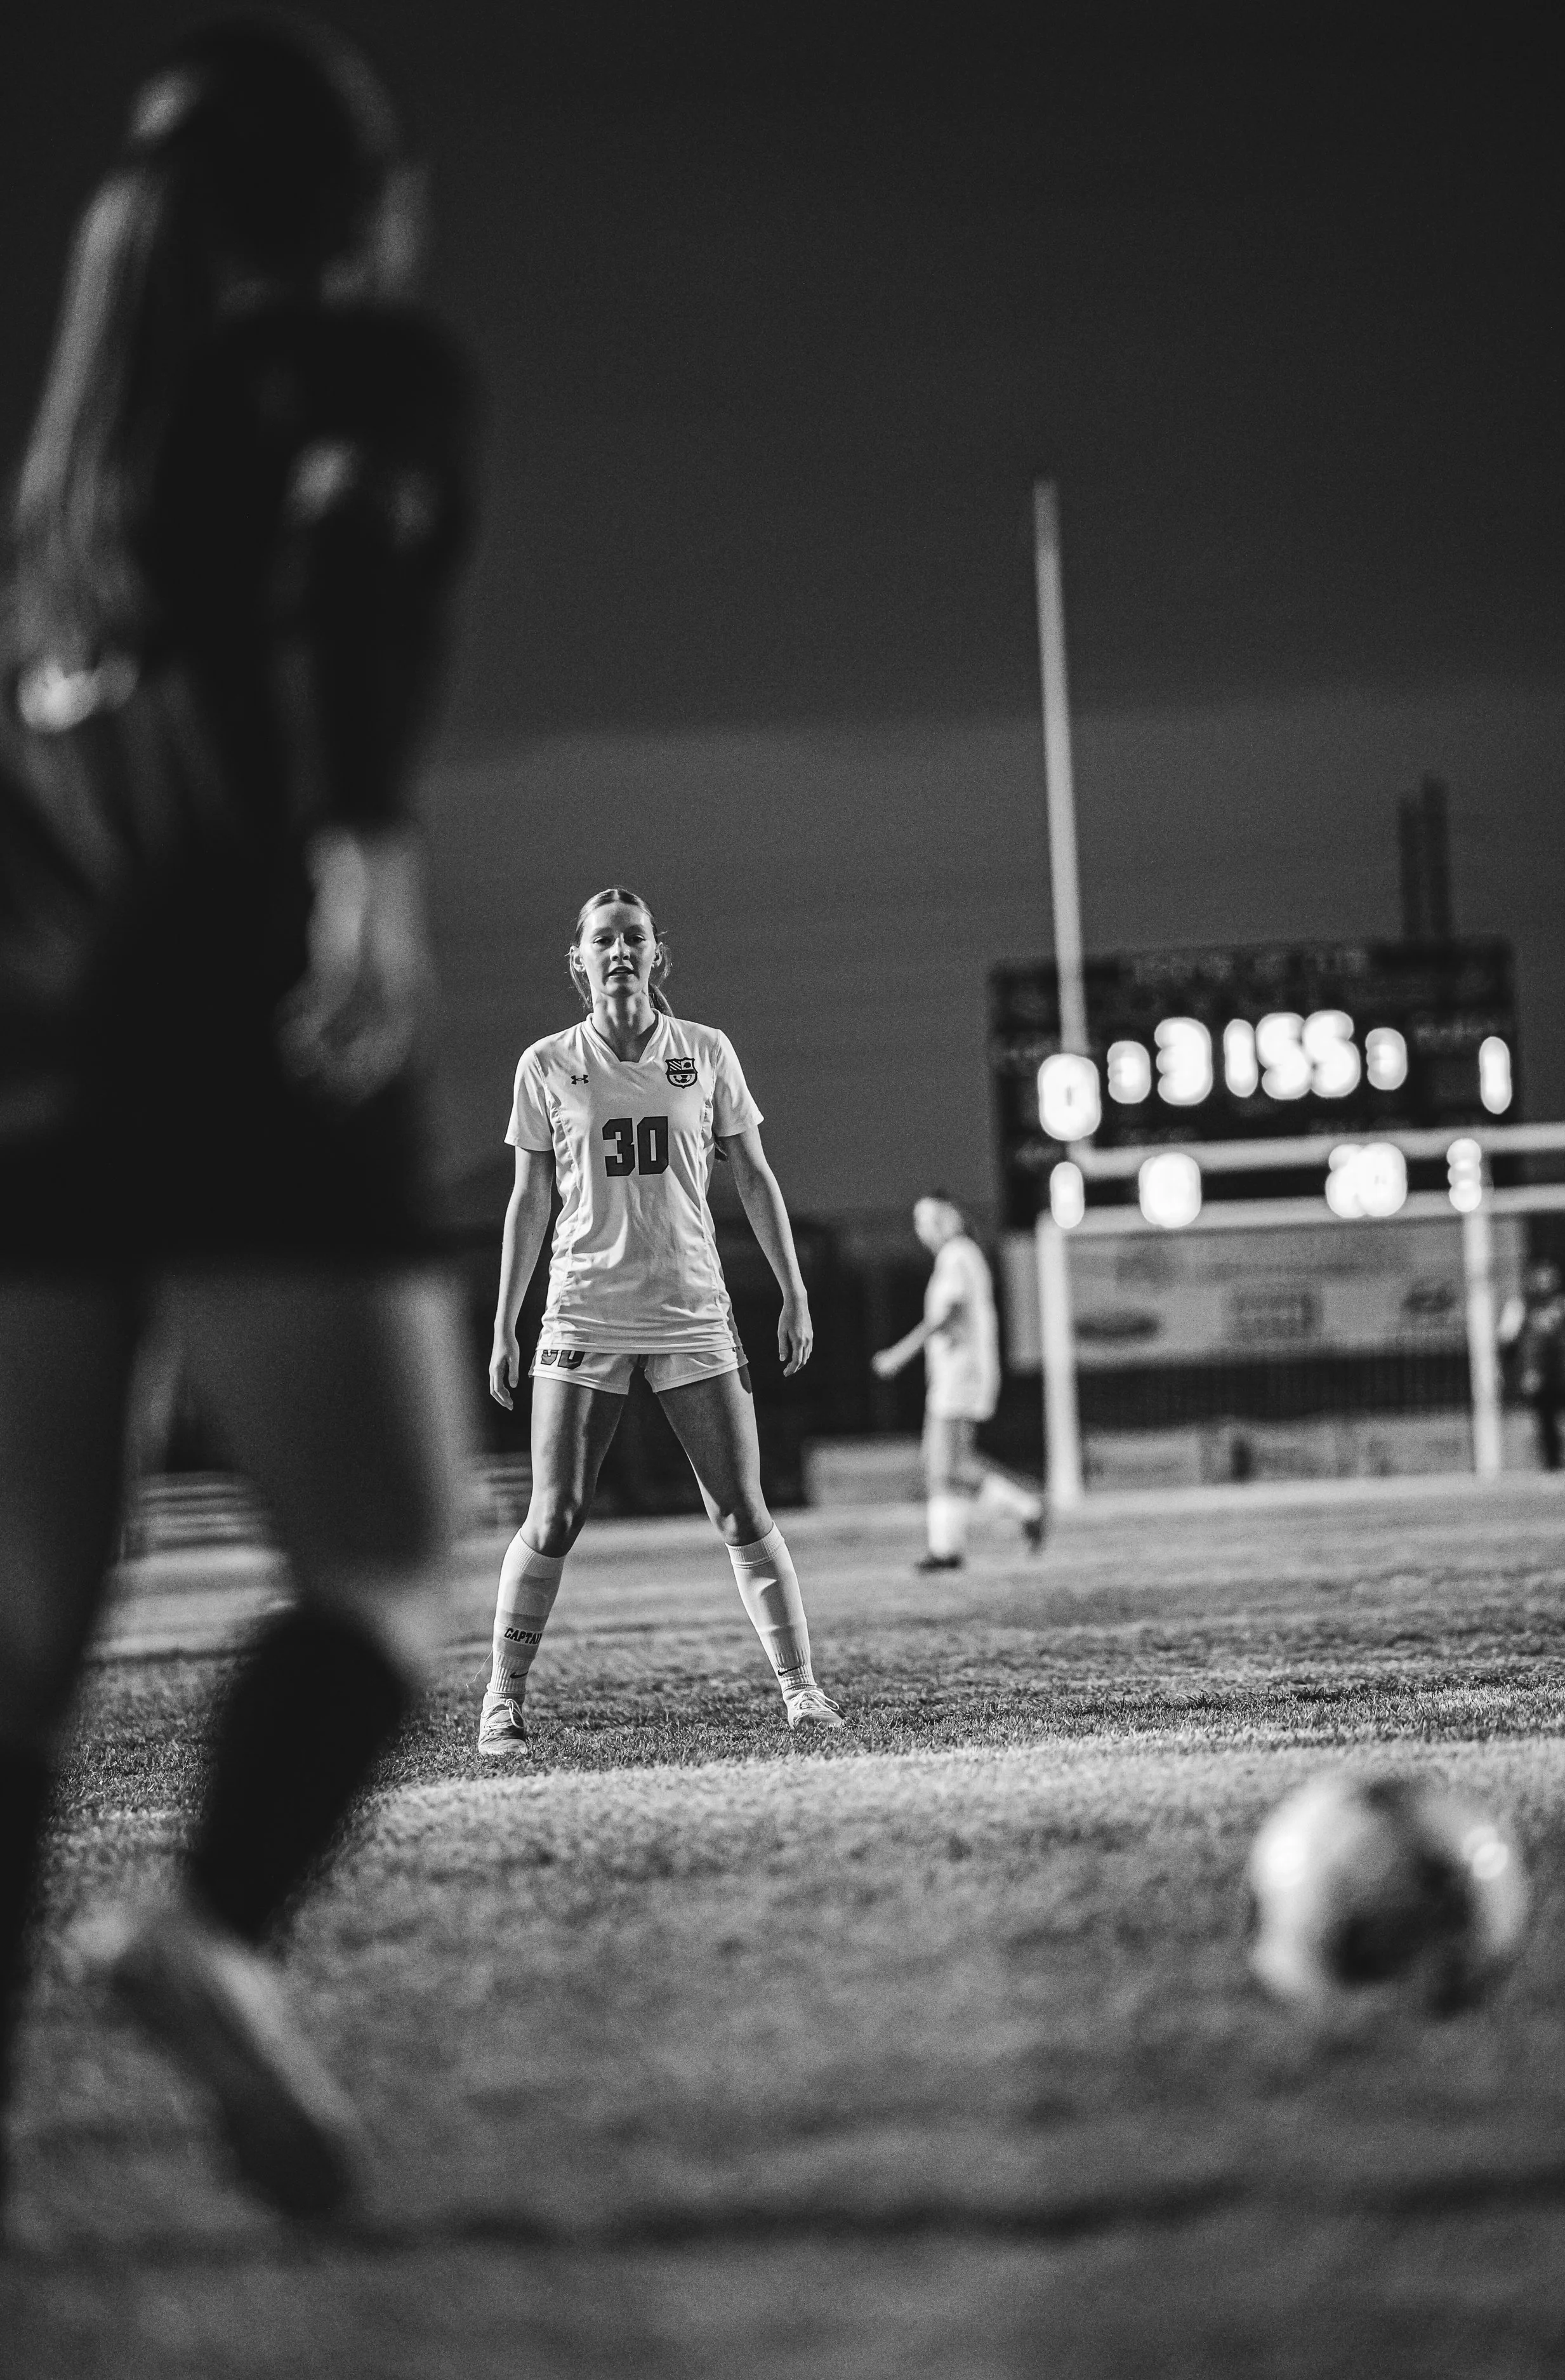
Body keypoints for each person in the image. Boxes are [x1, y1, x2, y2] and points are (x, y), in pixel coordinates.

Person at [0, 22, 475, 2219]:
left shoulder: (58, 499)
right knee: (379, 1569)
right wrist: (367, 847)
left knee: (21, 1619)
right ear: (351, 208)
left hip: (34, 1047)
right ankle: (206, 1921)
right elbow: (349, 592)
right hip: (242, 1015)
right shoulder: (355, 376)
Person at [480, 887, 844, 1750]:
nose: (618, 953)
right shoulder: (546, 1063)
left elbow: (754, 1176)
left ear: (657, 954)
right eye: (602, 940)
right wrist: (506, 1322)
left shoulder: (706, 1052)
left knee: (741, 1509)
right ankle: (503, 1697)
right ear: (579, 959)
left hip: (691, 1309)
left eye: (632, 938)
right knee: (556, 1510)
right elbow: (529, 1201)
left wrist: (792, 1289)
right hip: (584, 1309)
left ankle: (802, 1689)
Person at [872, 1196, 1045, 1571]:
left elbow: (945, 1314)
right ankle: (950, 1546)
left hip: (961, 1373)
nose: (921, 1228)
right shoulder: (960, 1256)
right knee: (945, 1465)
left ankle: (1023, 1510)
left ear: (946, 1221)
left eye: (926, 1218)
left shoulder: (957, 1255)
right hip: (958, 1371)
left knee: (946, 1464)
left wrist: (899, 1354)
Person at [1498, 1259, 1565, 1472]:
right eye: (1541, 1276)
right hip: (1538, 1377)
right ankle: (1554, 1467)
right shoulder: (1520, 1305)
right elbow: (1507, 1343)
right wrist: (1512, 1374)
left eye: (1549, 1276)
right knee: (1547, 1424)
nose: (1545, 1281)